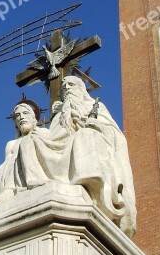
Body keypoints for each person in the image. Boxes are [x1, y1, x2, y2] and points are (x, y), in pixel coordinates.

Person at [50, 76, 136, 237]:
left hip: (92, 147)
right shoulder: (59, 115)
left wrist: (95, 125)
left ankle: (89, 190)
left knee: (85, 136)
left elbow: (116, 136)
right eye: (63, 87)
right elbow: (53, 138)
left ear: (81, 89)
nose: (67, 88)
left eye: (71, 84)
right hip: (62, 152)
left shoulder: (95, 106)